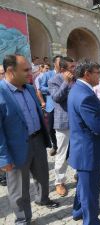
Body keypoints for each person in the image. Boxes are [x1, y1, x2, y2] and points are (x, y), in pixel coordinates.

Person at [0, 54, 59, 225]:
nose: (31, 73)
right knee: (19, 188)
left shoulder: (30, 88)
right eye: (26, 70)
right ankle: (23, 219)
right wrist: (3, 158)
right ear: (10, 71)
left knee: (42, 175)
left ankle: (43, 199)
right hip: (16, 148)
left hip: (37, 140)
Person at [68, 59, 100, 225]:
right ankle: (91, 221)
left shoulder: (78, 89)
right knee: (90, 191)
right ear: (87, 74)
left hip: (83, 149)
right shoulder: (84, 94)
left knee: (83, 187)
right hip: (88, 152)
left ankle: (78, 212)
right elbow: (97, 125)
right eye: (97, 72)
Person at [48, 56, 76, 197]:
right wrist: (66, 82)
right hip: (63, 122)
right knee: (62, 153)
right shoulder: (54, 80)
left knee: (79, 149)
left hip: (77, 121)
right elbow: (57, 98)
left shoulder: (77, 80)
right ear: (63, 69)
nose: (74, 70)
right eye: (72, 67)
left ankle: (79, 173)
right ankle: (59, 181)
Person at [39, 55, 62, 156]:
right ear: (54, 63)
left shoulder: (65, 74)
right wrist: (52, 89)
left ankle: (66, 146)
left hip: (63, 106)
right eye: (59, 62)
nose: (61, 64)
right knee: (51, 128)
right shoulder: (47, 74)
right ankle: (55, 146)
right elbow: (41, 88)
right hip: (51, 105)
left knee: (64, 127)